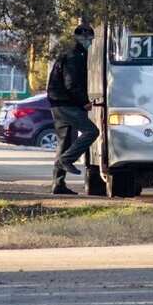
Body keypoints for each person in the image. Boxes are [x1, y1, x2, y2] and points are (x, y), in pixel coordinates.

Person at [48, 23, 100, 195]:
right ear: (82, 39)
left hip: (59, 104)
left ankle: (58, 184)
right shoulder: (73, 56)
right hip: (65, 104)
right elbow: (71, 84)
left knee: (64, 144)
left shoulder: (72, 54)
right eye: (89, 40)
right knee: (91, 132)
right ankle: (67, 160)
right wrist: (84, 101)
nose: (90, 43)